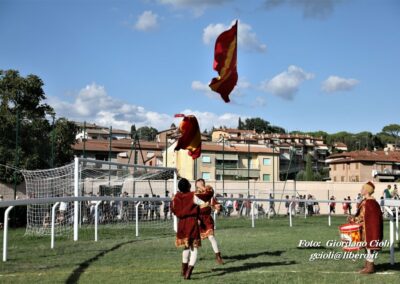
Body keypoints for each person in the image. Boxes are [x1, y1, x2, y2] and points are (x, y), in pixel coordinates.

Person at [171, 178, 206, 280]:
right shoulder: (193, 195)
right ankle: (188, 272)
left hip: (181, 223)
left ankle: (184, 270)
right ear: (188, 186)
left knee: (186, 246)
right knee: (194, 248)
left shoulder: (176, 197)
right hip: (191, 222)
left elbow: (173, 210)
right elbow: (203, 203)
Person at [348, 181, 383, 274]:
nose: (361, 190)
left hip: (368, 229)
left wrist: (354, 220)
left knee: (368, 247)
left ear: (367, 191)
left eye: (363, 188)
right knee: (367, 248)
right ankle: (368, 265)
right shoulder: (370, 202)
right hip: (367, 228)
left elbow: (364, 217)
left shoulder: (369, 203)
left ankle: (370, 267)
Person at [195, 179, 224, 265]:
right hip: (198, 219)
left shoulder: (209, 193)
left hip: (207, 219)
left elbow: (215, 204)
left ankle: (218, 256)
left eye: (201, 182)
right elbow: (192, 207)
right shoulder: (195, 195)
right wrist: (196, 218)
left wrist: (218, 208)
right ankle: (191, 258)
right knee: (195, 240)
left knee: (211, 237)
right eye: (198, 182)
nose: (200, 183)